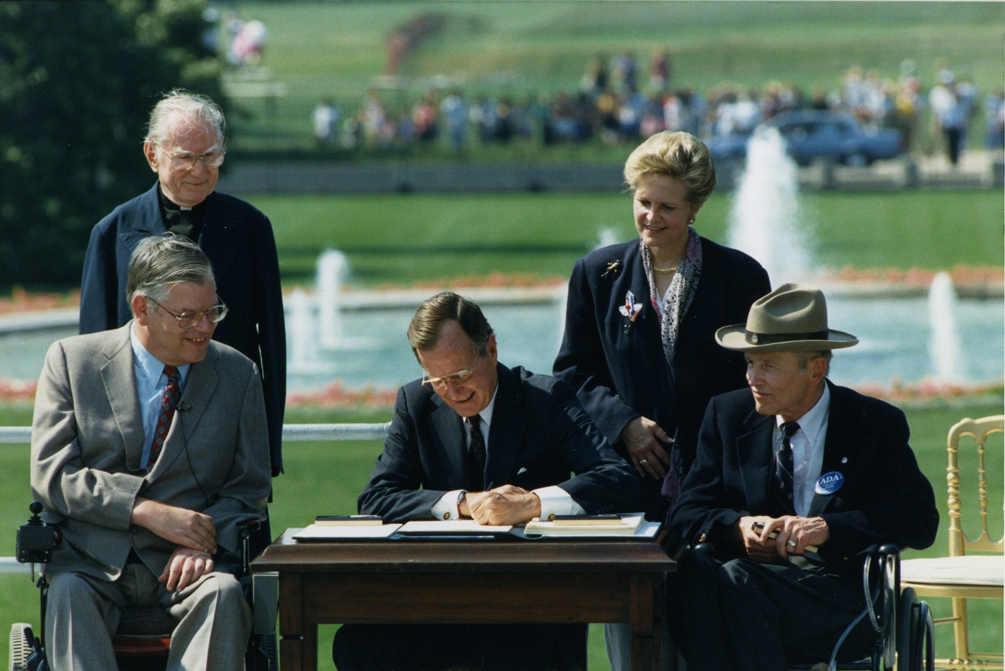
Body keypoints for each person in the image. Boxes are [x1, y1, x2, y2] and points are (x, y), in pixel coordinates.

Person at [333, 291, 639, 671]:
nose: (454, 391)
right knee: (355, 643)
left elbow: (616, 478)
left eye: (461, 374)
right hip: (438, 605)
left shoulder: (546, 398)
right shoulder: (415, 403)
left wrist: (530, 504)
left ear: (490, 348)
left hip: (531, 609)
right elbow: (376, 498)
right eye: (438, 380)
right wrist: (462, 503)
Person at [31, 235, 272, 671]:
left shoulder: (238, 373)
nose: (205, 327)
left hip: (194, 567)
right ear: (143, 308)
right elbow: (53, 475)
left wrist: (204, 540)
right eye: (188, 316)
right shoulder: (72, 361)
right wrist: (143, 511)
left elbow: (248, 488)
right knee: (67, 593)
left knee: (224, 594)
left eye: (212, 312)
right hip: (91, 561)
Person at [668, 283, 939, 671]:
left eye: (769, 366)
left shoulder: (873, 424)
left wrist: (827, 528)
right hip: (744, 589)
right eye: (749, 362)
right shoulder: (727, 415)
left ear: (816, 369)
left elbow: (919, 520)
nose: (752, 378)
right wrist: (738, 526)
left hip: (839, 595)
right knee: (697, 574)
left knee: (735, 581)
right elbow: (687, 511)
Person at [554, 130, 770, 521]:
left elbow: (757, 375)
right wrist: (624, 424)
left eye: (667, 207)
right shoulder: (595, 274)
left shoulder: (741, 276)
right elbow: (573, 373)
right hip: (623, 477)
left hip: (719, 480)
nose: (651, 217)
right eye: (643, 202)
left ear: (694, 208)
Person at [78, 89, 286, 478]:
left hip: (227, 437)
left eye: (210, 156)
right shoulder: (111, 233)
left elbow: (272, 344)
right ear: (152, 155)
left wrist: (266, 449)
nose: (199, 170)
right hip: (135, 443)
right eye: (185, 157)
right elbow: (93, 355)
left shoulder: (252, 227)